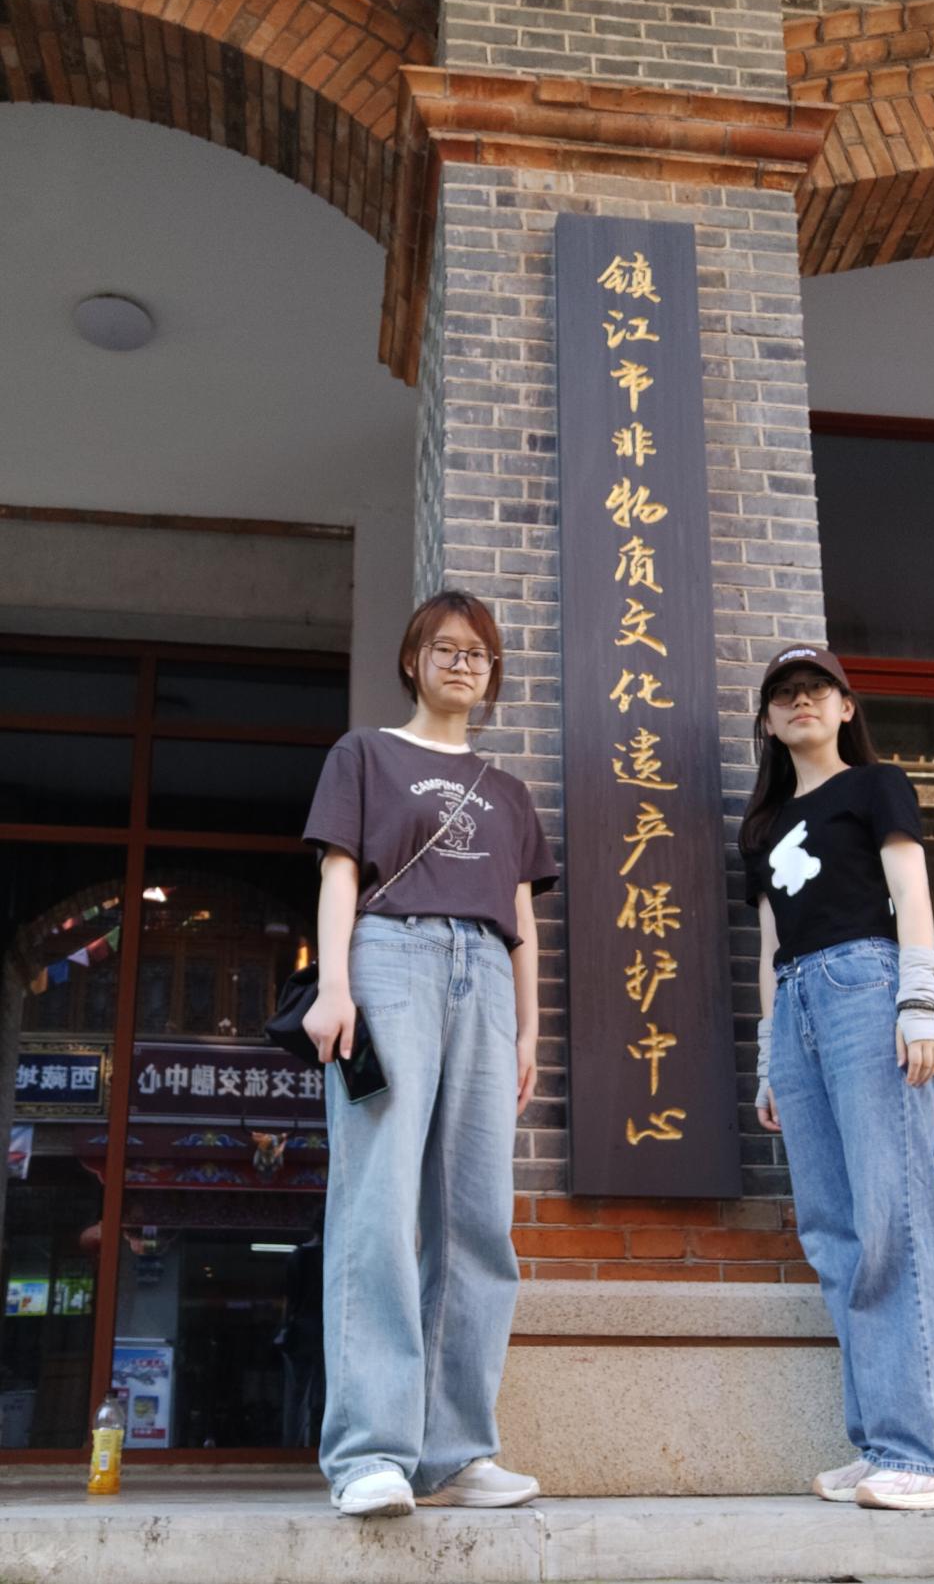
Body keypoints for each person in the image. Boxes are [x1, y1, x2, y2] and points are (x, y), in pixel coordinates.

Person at [301, 591, 557, 1518]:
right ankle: (369, 1452)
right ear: (412, 661)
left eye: (477, 654)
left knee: (477, 1217)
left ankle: (453, 1454)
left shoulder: (508, 790)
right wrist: (334, 985)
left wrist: (529, 1029)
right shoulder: (365, 754)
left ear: (492, 675)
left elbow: (521, 917)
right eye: (444, 648)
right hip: (390, 960)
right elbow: (340, 872)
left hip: (483, 975)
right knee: (377, 1204)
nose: (461, 664)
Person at [739, 645, 934, 1512]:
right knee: (834, 1234)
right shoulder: (763, 827)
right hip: (797, 1005)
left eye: (816, 689)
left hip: (868, 986)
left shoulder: (877, 785)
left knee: (893, 1217)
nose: (800, 702)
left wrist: (918, 1003)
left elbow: (912, 896)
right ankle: (884, 1441)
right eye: (784, 695)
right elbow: (769, 946)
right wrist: (769, 1057)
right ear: (767, 721)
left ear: (846, 707)